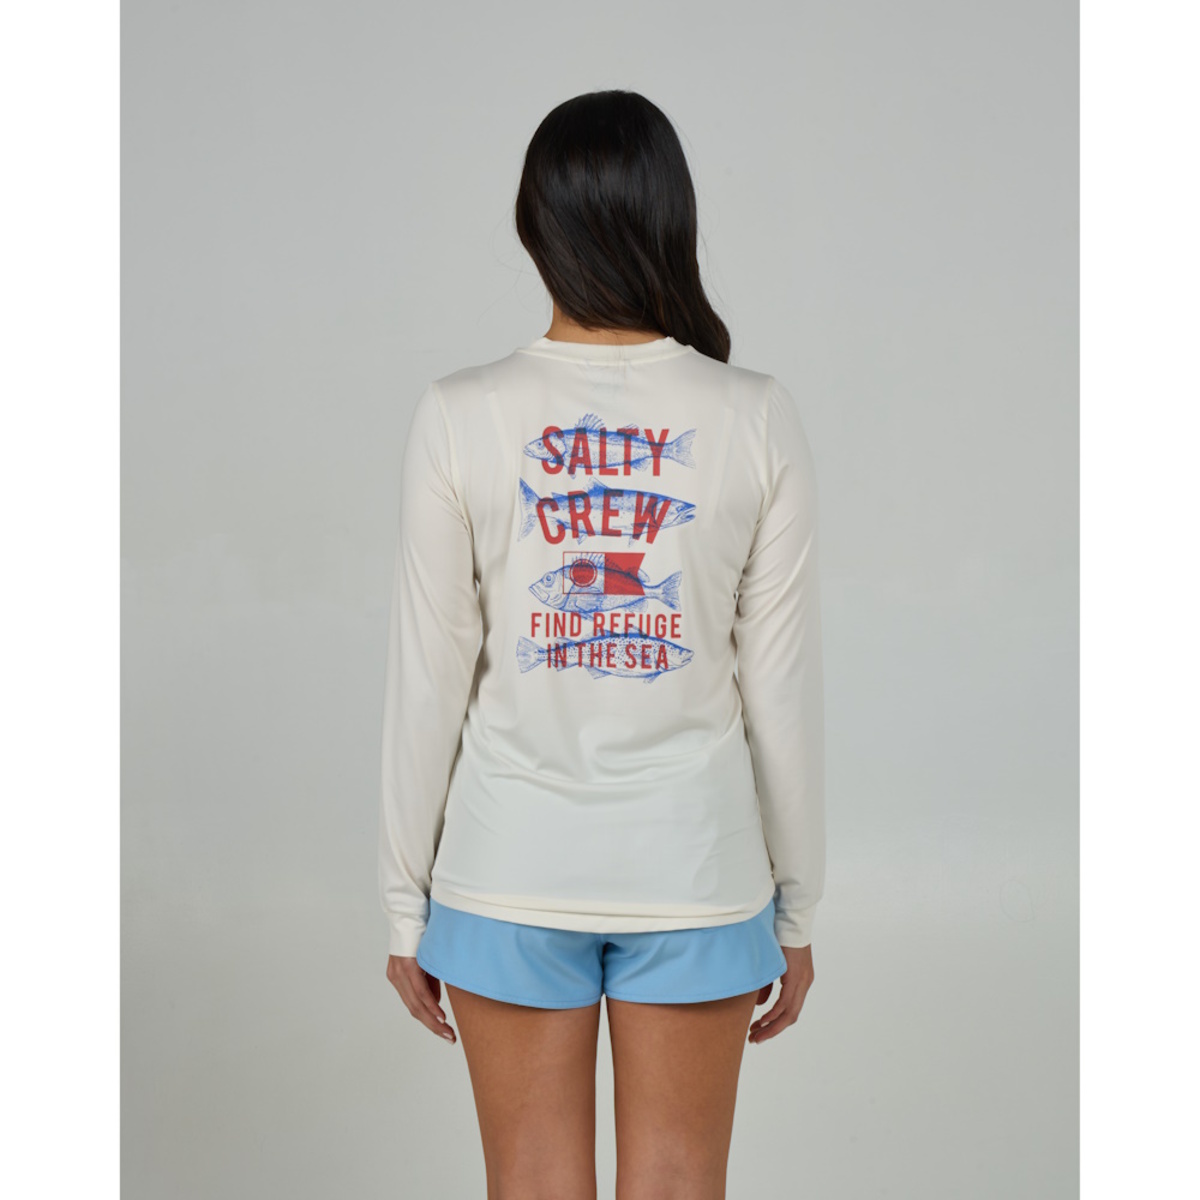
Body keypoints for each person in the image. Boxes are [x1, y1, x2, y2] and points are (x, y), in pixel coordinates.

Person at [378, 89, 826, 1200]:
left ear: (534, 224)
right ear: (673, 220)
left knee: (530, 1182)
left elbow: (429, 680)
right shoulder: (754, 414)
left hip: (506, 868)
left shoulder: (460, 413)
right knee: (679, 1182)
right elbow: (781, 691)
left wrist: (403, 903)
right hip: (696, 870)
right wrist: (797, 906)